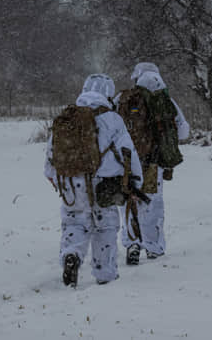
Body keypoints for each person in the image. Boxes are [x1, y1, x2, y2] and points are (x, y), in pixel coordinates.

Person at [44, 74, 143, 287]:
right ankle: (105, 274)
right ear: (108, 93)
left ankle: (72, 253)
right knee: (105, 227)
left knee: (74, 221)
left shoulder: (67, 116)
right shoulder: (113, 119)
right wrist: (136, 182)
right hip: (105, 185)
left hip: (72, 183)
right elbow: (129, 152)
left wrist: (53, 176)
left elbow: (51, 153)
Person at [116, 62, 190, 265]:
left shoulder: (123, 99)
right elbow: (184, 132)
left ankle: (132, 243)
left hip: (127, 162)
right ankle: (153, 247)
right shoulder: (167, 101)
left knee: (129, 201)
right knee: (152, 203)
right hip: (153, 162)